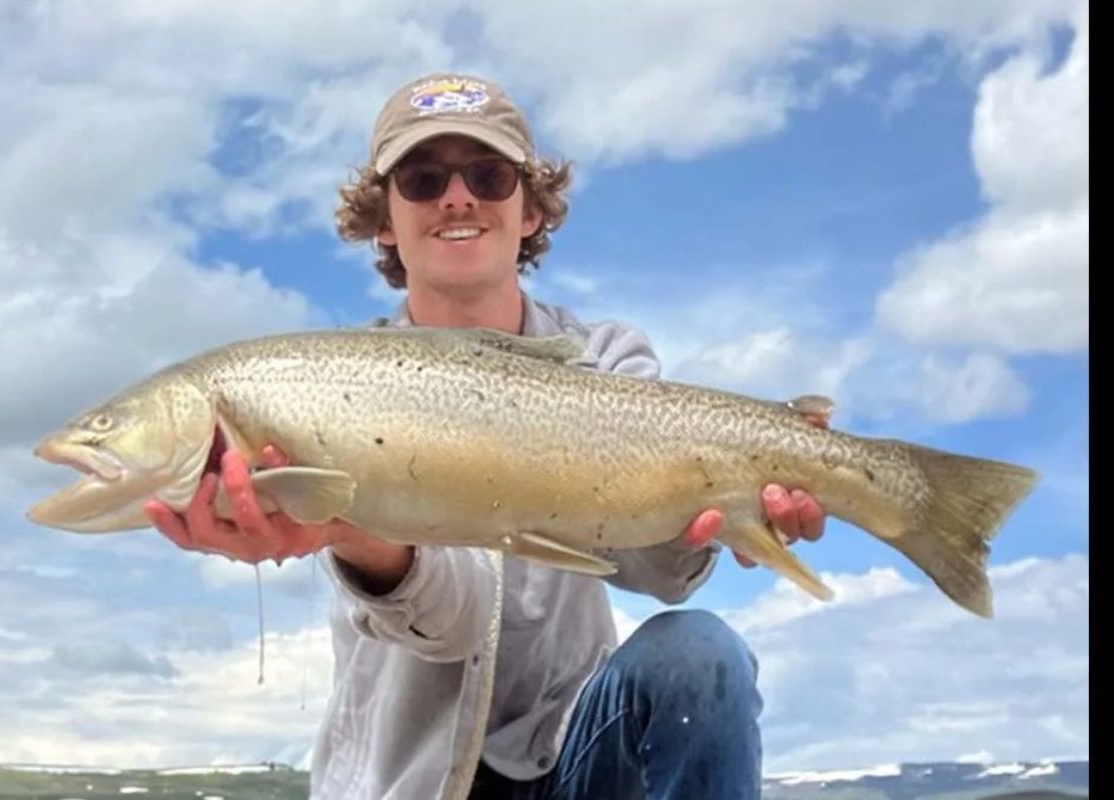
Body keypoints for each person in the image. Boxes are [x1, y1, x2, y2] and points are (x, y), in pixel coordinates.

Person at [145, 73, 828, 800]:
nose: (458, 196)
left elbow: (656, 575)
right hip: (412, 783)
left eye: (489, 175)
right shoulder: (333, 388)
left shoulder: (609, 361)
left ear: (531, 210)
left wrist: (734, 516)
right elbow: (454, 625)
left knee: (701, 655)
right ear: (384, 219)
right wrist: (360, 537)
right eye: (422, 177)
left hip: (580, 756)